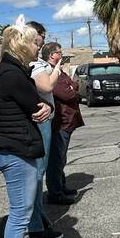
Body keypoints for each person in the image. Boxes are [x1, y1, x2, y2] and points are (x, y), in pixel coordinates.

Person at [0, 24, 52, 238]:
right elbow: (36, 106)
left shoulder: (8, 71)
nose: (39, 48)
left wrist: (44, 107)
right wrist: (46, 108)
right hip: (15, 150)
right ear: (22, 45)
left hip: (11, 147)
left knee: (19, 213)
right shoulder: (12, 75)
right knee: (20, 216)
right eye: (35, 44)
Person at [27, 24, 67, 238]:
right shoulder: (34, 63)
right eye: (41, 36)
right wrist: (58, 68)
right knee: (37, 171)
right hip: (40, 120)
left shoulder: (35, 62)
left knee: (37, 171)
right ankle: (35, 224)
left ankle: (36, 217)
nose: (42, 40)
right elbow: (47, 87)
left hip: (43, 118)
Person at [49, 52, 84, 202]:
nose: (62, 56)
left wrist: (72, 88)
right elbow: (66, 94)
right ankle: (55, 193)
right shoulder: (50, 72)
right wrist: (72, 90)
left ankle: (61, 186)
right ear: (52, 55)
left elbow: (75, 86)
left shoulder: (60, 72)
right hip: (61, 122)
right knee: (56, 158)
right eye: (59, 52)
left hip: (69, 120)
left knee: (61, 157)